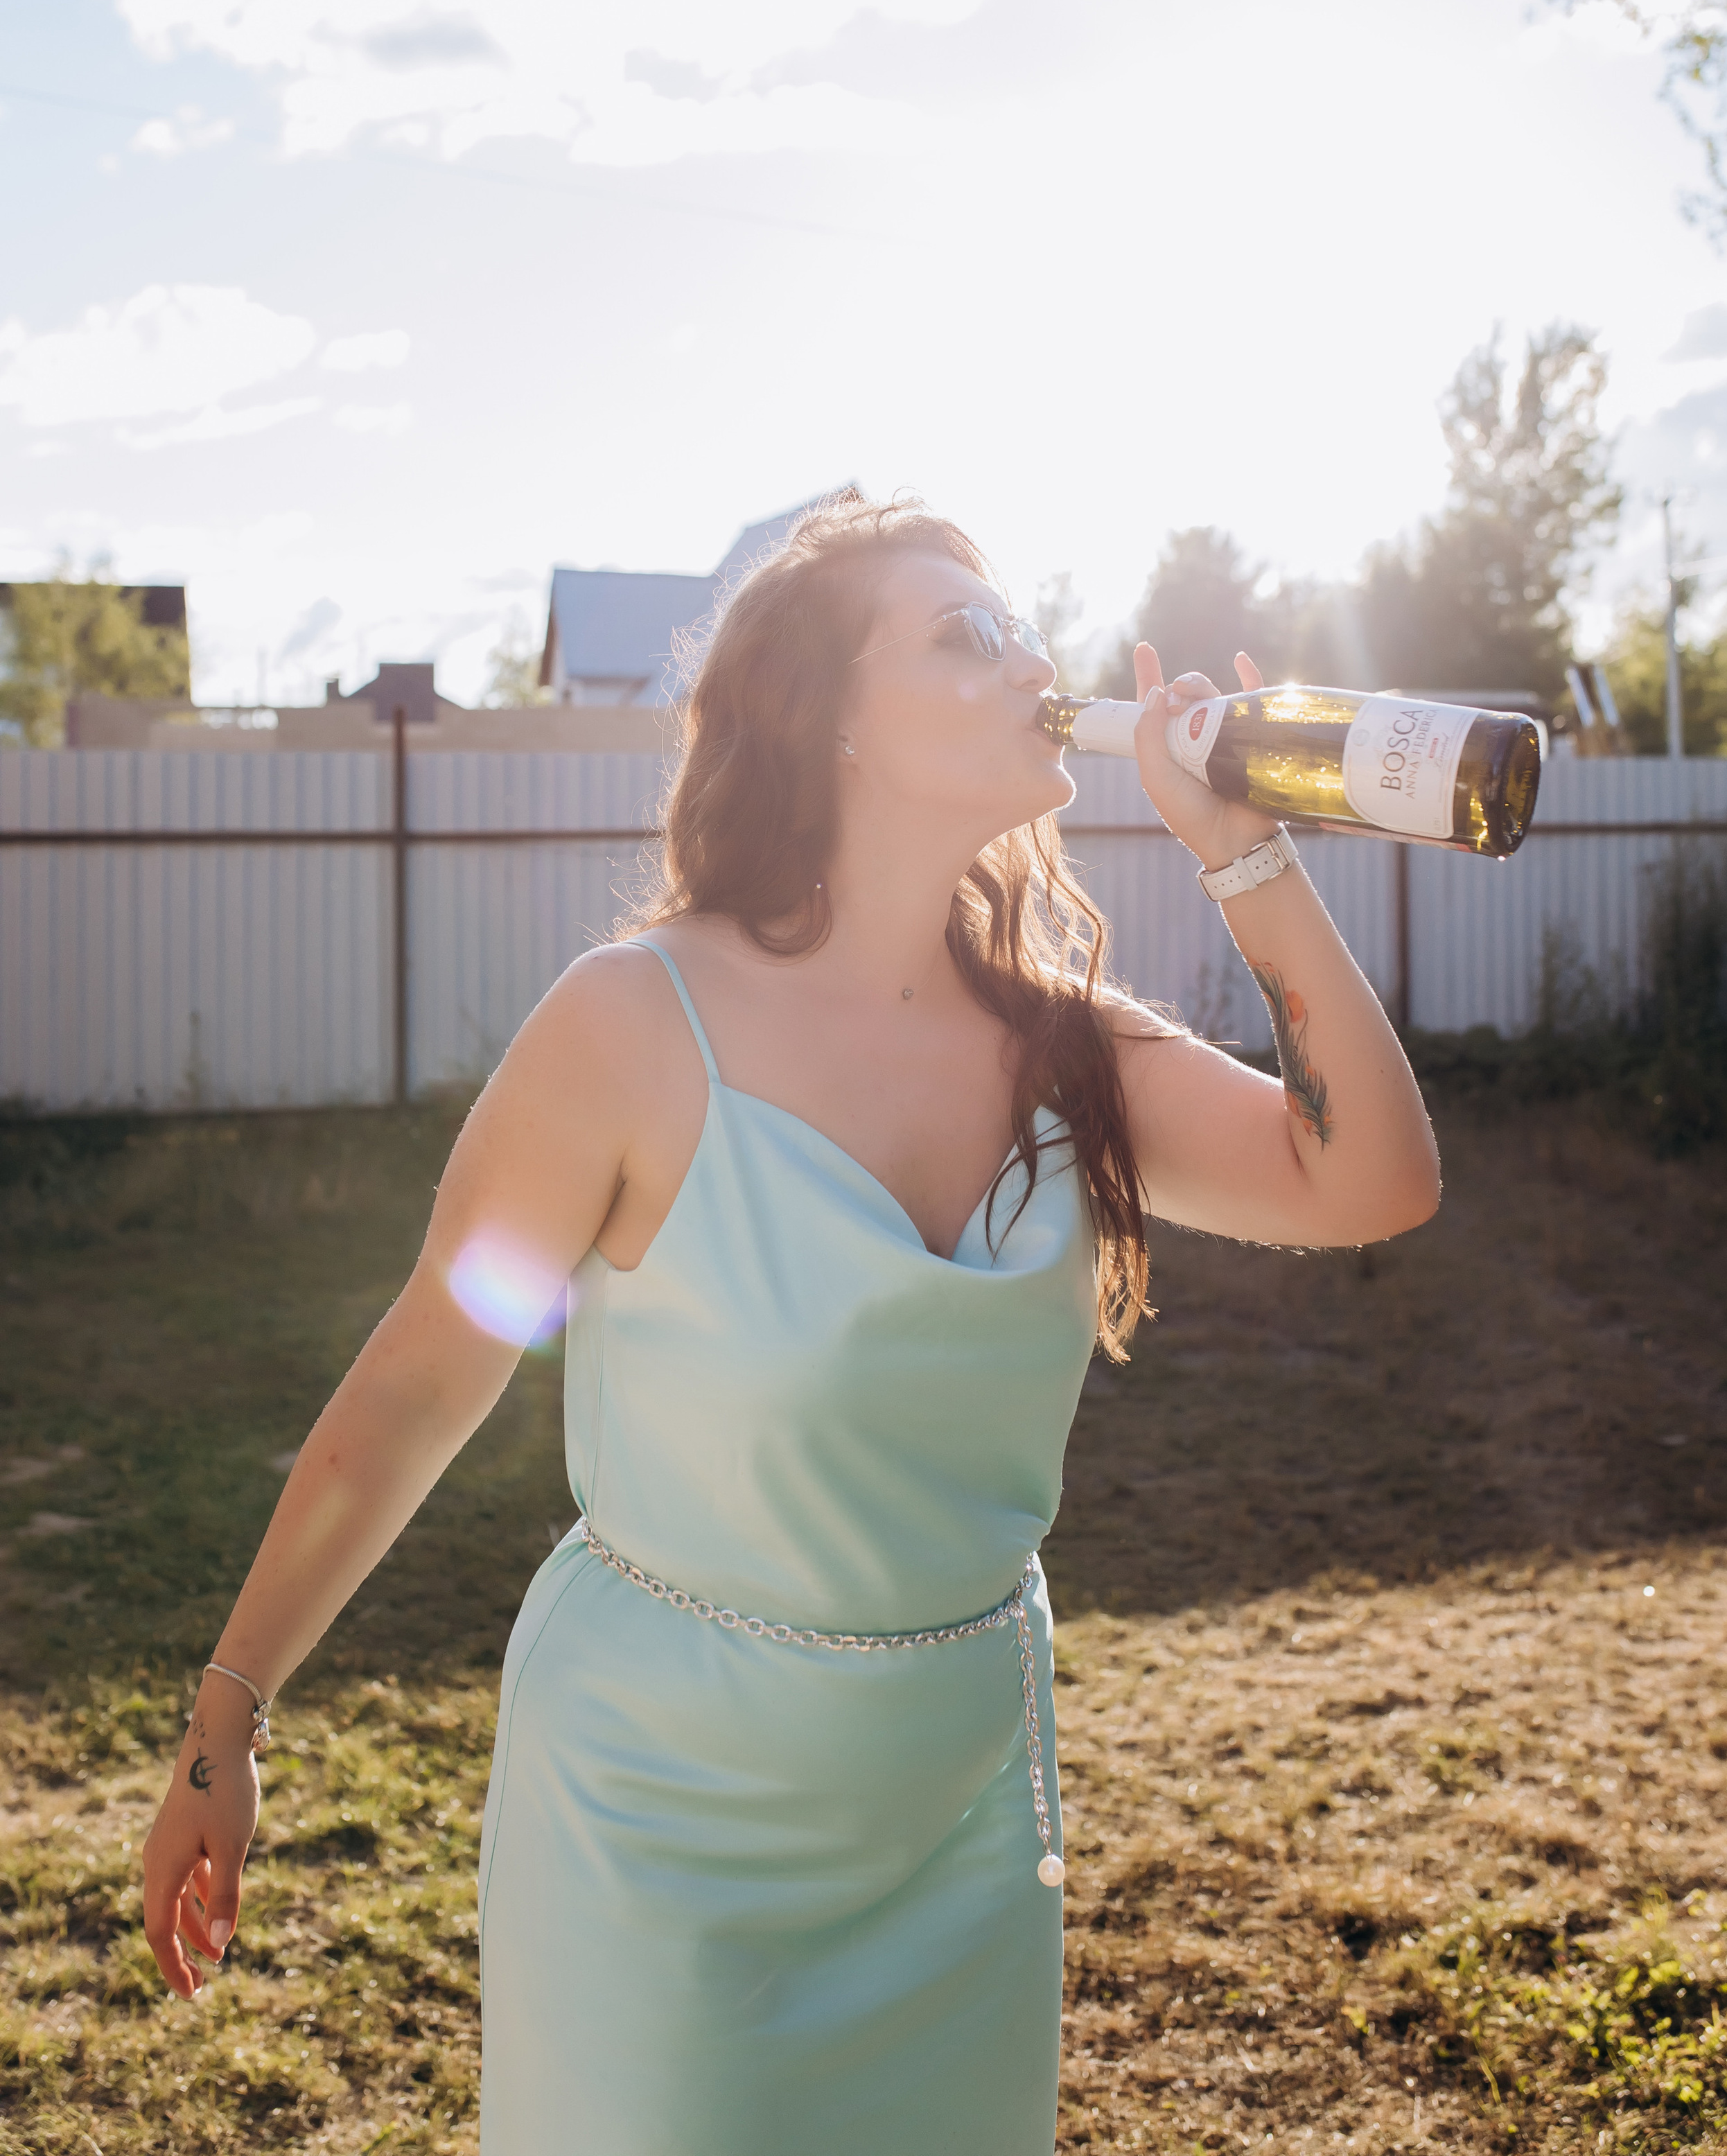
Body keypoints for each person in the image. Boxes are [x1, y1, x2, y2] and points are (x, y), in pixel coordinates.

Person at [141, 494, 1439, 2154]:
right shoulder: (629, 1027)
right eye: (961, 637)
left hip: (957, 1829)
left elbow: (1370, 1179)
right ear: (826, 720)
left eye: (1021, 627)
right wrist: (224, 1726)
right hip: (659, 1836)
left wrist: (1242, 854)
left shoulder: (1067, 1051)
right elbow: (413, 1386)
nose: (1030, 661)